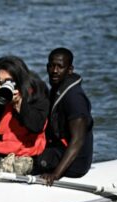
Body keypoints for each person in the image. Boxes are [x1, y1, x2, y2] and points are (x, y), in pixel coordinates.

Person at [34, 47, 94, 185]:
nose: (55, 71)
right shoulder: (56, 90)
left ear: (70, 69)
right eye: (51, 66)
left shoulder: (74, 98)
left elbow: (77, 141)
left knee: (30, 162)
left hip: (76, 163)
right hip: (57, 151)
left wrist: (55, 175)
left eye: (60, 67)